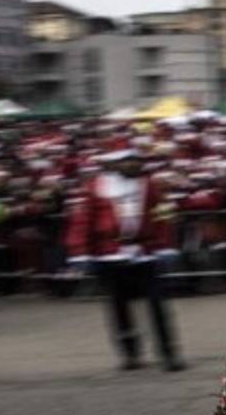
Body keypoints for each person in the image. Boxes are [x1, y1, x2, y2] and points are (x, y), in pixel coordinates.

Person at [64, 151, 186, 371]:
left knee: (158, 304)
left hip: (144, 253)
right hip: (110, 255)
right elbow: (83, 221)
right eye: (128, 160)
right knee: (118, 307)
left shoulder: (150, 185)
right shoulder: (95, 187)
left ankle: (169, 354)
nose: (134, 164)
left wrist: (166, 245)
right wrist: (80, 251)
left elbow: (164, 215)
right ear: (115, 163)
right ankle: (130, 354)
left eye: (137, 160)